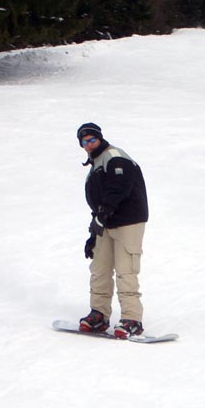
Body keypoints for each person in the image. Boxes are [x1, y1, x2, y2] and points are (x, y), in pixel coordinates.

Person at [77, 123, 149, 339]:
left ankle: (132, 319)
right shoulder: (96, 163)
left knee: (126, 270)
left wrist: (103, 213)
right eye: (84, 142)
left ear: (99, 138)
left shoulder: (115, 157)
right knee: (99, 268)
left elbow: (119, 188)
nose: (89, 145)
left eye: (92, 140)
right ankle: (98, 314)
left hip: (128, 220)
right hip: (106, 222)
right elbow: (99, 202)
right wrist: (93, 233)